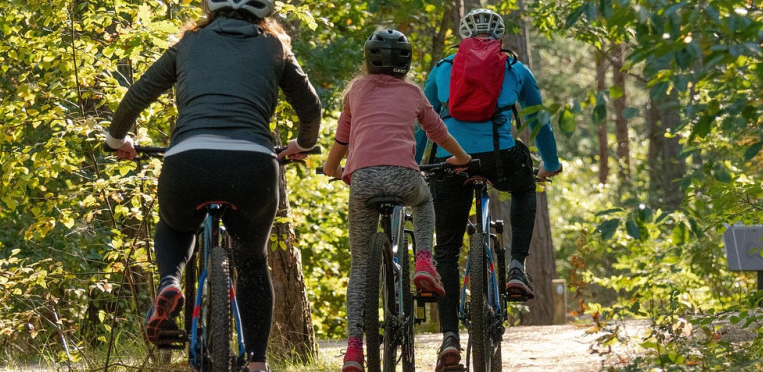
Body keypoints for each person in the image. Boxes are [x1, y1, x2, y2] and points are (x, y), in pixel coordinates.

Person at [104, 1, 321, 371]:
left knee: (175, 224)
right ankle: (256, 363)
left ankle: (170, 282)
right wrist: (301, 145)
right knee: (252, 262)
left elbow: (139, 93)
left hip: (188, 159)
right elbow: (311, 107)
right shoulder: (275, 47)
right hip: (253, 164)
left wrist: (116, 140)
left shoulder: (188, 43)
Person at [415, 8, 562, 369]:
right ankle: (515, 266)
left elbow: (421, 123)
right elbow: (538, 121)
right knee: (525, 189)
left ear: (464, 36)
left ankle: (449, 339)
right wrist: (551, 163)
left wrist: (416, 163)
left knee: (446, 249)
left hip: (452, 161)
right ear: (499, 37)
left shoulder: (443, 68)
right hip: (500, 158)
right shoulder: (515, 69)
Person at [322, 29, 472, 372]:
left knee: (360, 267)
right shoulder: (413, 93)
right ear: (406, 64)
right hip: (405, 177)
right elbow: (439, 133)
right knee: (423, 201)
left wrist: (332, 168)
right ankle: (422, 260)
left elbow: (342, 140)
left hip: (362, 181)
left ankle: (354, 350)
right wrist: (461, 158)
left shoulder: (356, 91)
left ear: (368, 60)